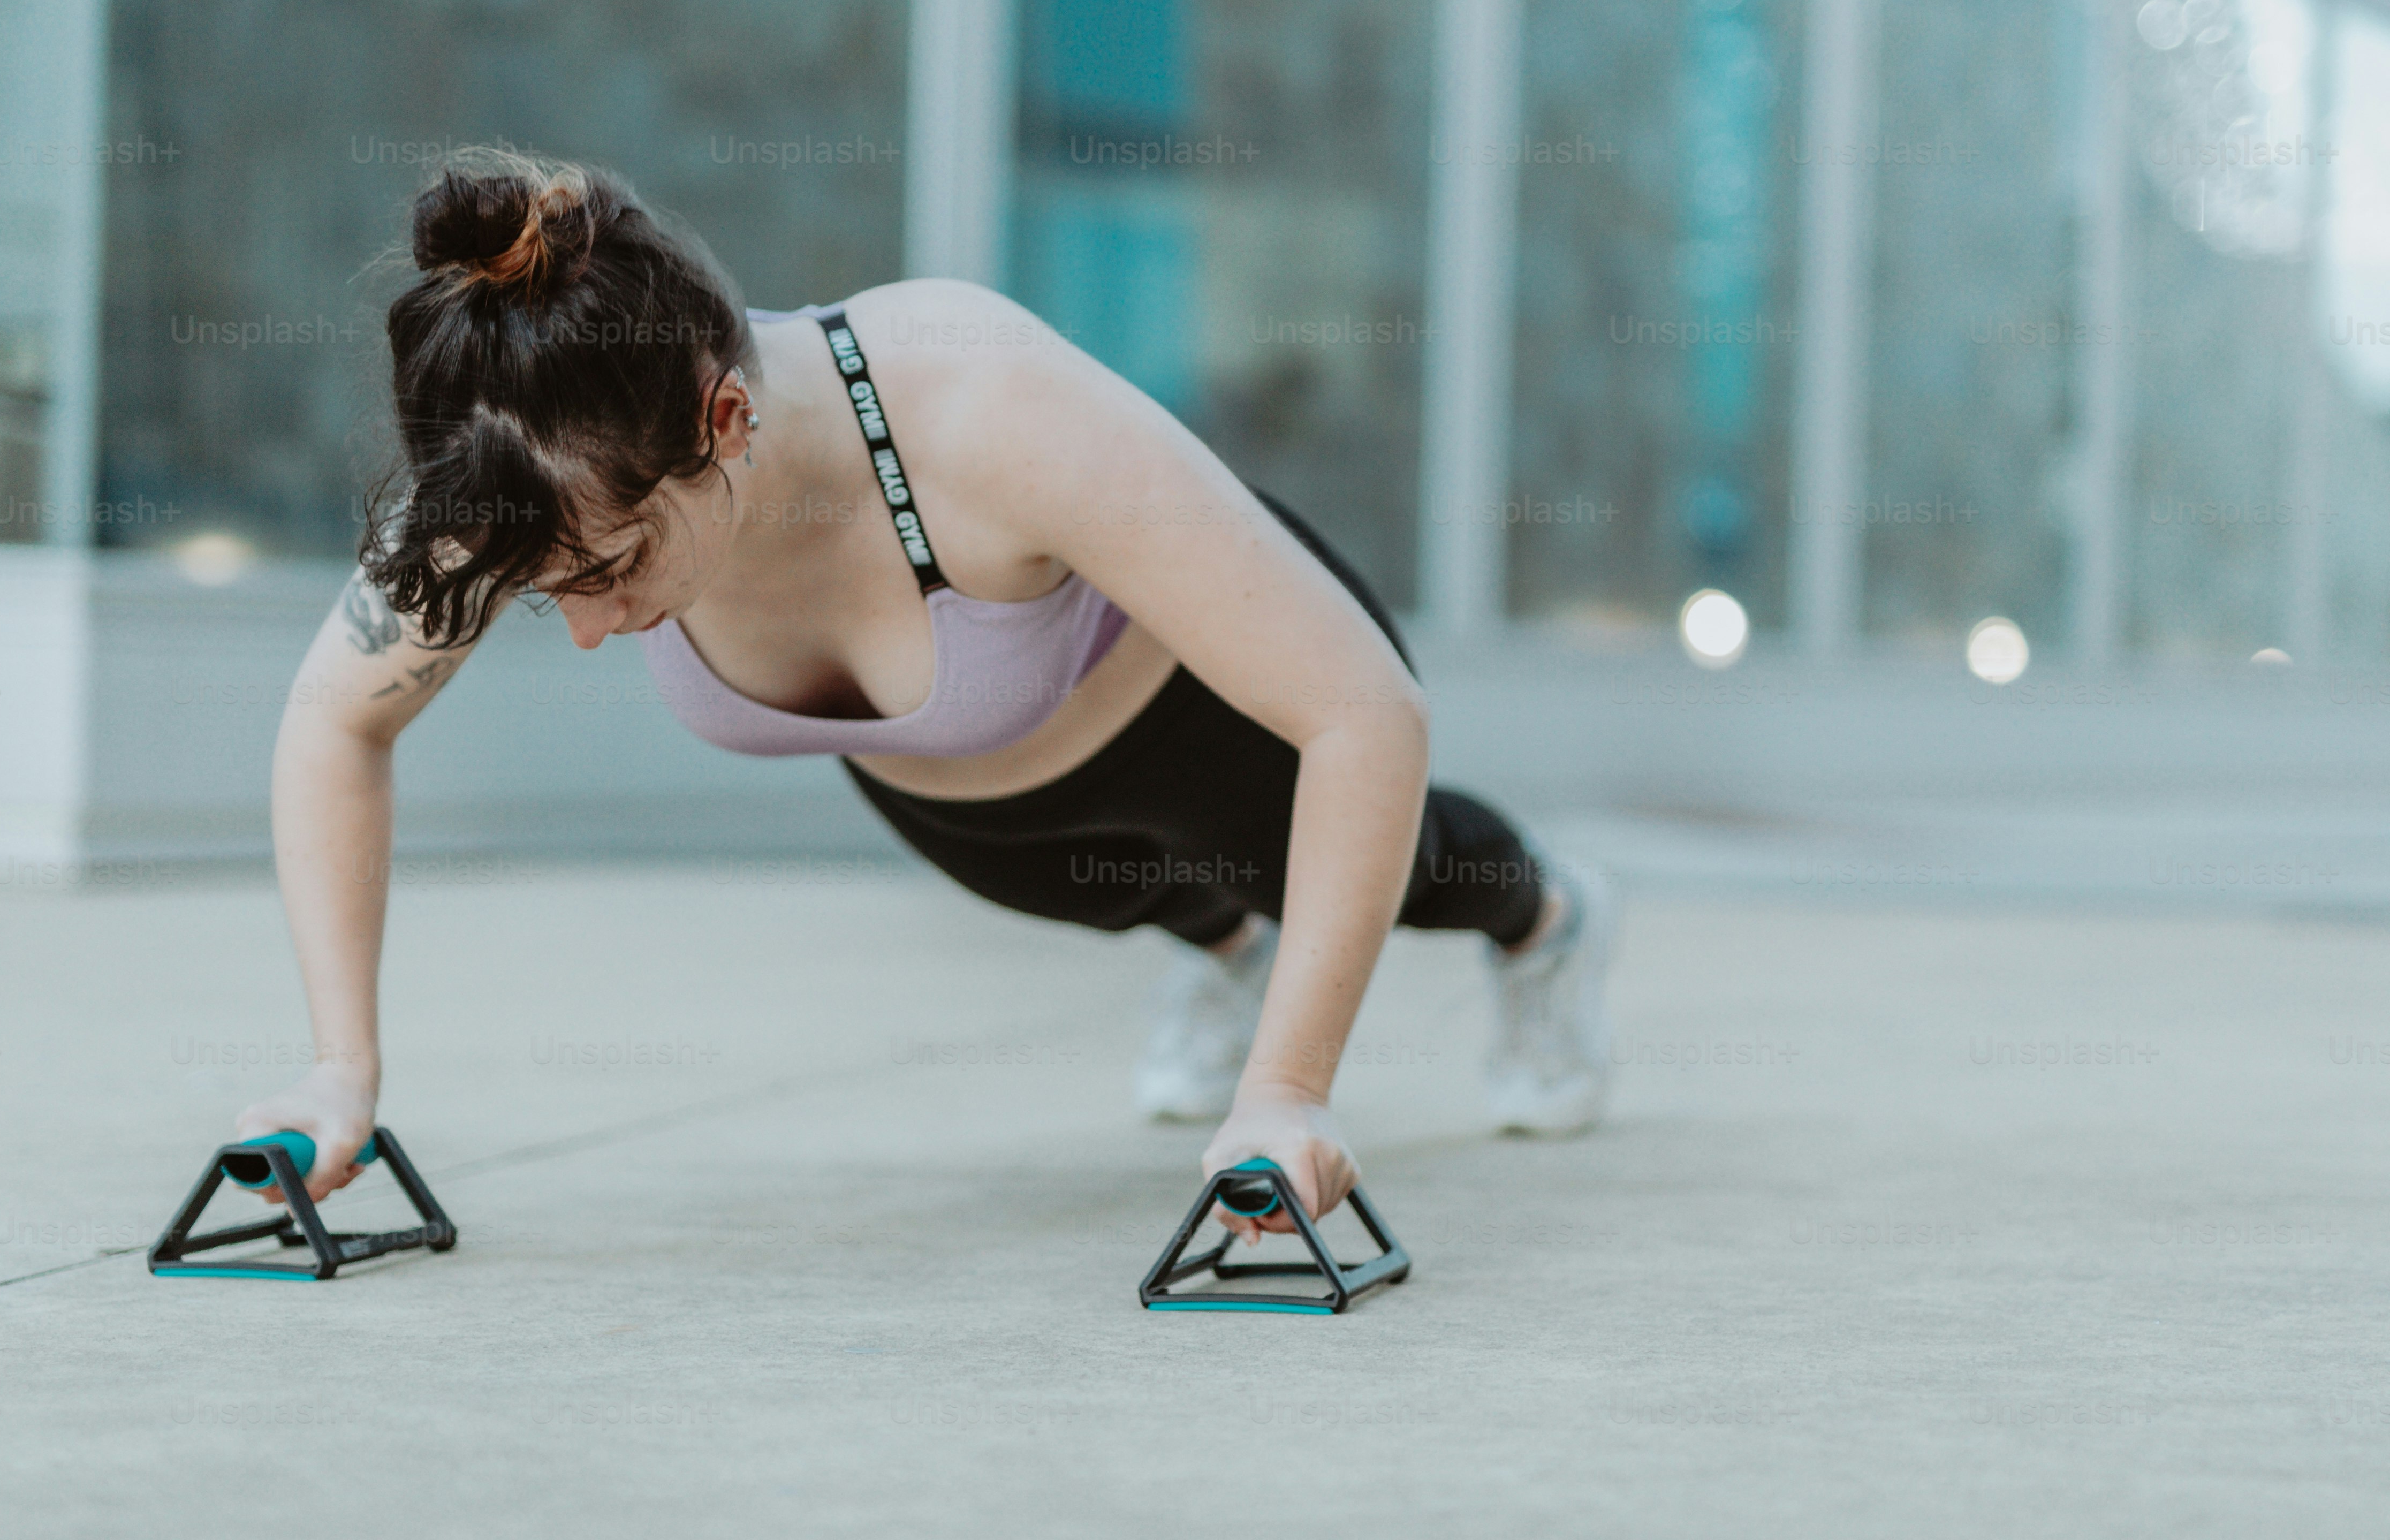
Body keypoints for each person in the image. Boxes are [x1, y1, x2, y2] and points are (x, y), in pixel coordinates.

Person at [231, 153, 1616, 1242]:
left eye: (615, 571)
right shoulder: (515, 464)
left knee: (1406, 868)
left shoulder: (977, 404)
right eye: (552, 598)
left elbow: (1364, 714)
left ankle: (1548, 922)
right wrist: (339, 1068)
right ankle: (1226, 954)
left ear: (725, 424)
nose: (591, 631)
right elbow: (334, 720)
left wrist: (1289, 1095)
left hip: (1221, 720)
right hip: (973, 804)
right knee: (1126, 895)